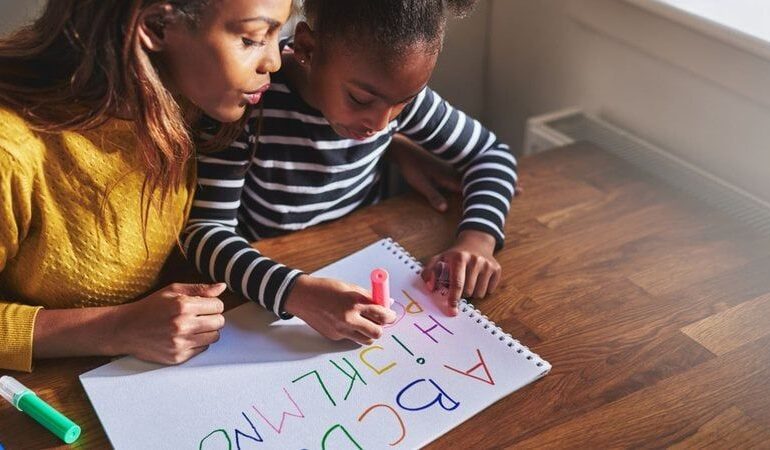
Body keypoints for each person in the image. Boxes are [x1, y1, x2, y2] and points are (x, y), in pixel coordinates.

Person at [185, 0, 518, 347]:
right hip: (267, 283)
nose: (381, 123)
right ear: (307, 49)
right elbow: (206, 232)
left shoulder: (392, 99)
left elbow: (491, 154)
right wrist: (296, 293)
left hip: (359, 255)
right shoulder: (246, 101)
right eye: (360, 99)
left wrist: (478, 240)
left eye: (404, 101)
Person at [0, 0, 293, 372]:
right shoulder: (13, 151)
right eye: (252, 38)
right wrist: (116, 327)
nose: (274, 61)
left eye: (277, 34)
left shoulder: (184, 97)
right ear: (155, 27)